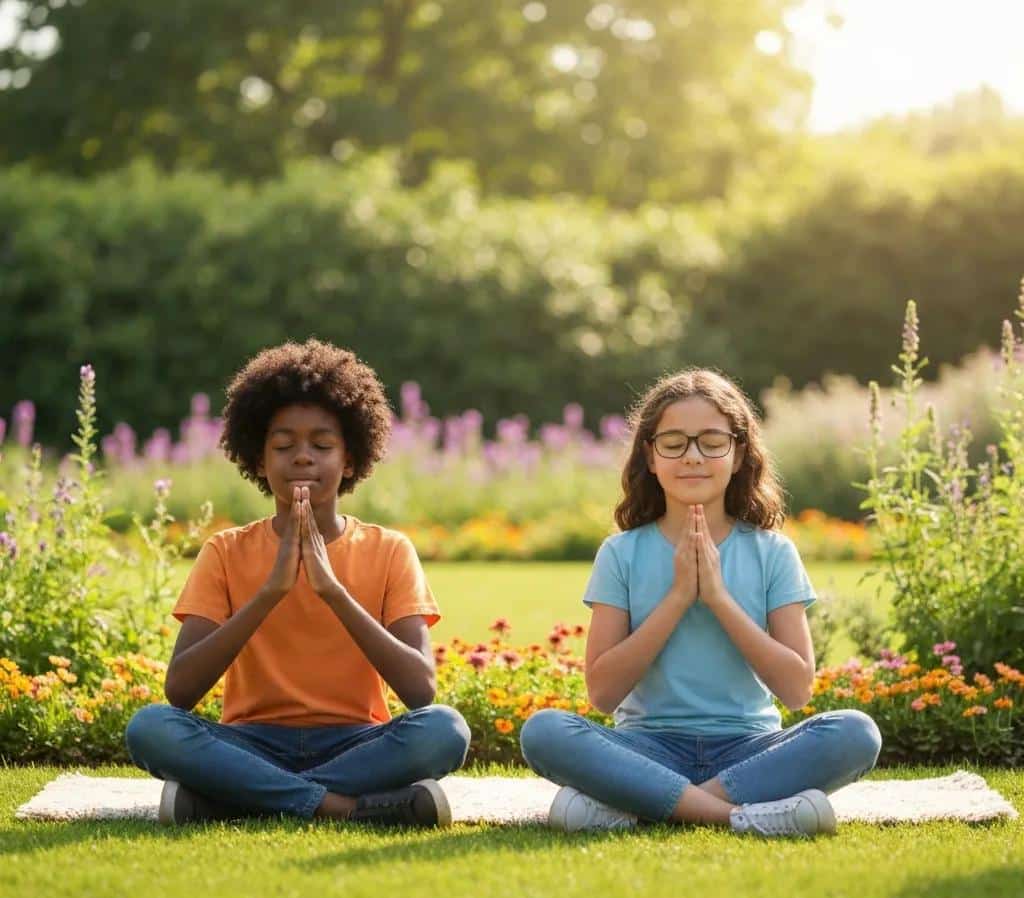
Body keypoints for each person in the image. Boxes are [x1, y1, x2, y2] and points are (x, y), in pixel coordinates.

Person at [520, 368, 882, 837]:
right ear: (650, 456)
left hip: (749, 750)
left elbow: (797, 690)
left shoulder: (772, 551)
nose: (693, 457)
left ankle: (642, 803)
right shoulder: (621, 553)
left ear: (738, 455)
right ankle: (738, 816)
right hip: (646, 747)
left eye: (711, 441)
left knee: (856, 733)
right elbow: (603, 695)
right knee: (545, 731)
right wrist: (677, 598)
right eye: (674, 442)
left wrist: (716, 597)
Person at [125, 339, 470, 827]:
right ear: (260, 461)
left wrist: (334, 591)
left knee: (444, 730)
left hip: (356, 740)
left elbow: (421, 691)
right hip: (250, 740)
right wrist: (269, 593)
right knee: (151, 728)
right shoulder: (225, 552)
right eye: (284, 446)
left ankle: (239, 799)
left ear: (349, 460)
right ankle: (339, 807)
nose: (302, 458)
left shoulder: (390, 550)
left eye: (322, 446)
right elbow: (180, 691)